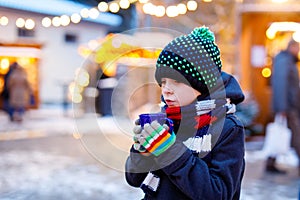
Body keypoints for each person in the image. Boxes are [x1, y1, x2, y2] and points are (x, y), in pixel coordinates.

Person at [125, 26, 246, 199]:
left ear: (202, 84)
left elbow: (218, 193)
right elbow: (133, 179)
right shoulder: (167, 119)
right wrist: (141, 151)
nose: (166, 90)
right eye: (163, 81)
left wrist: (169, 151)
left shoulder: (227, 128)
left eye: (176, 81)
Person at [268, 39, 300, 174]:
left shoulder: (286, 60)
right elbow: (281, 84)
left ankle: (270, 161)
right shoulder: (284, 60)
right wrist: (282, 108)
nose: (298, 51)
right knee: (296, 135)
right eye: (297, 48)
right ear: (291, 47)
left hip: (288, 105)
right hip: (288, 106)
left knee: (283, 133)